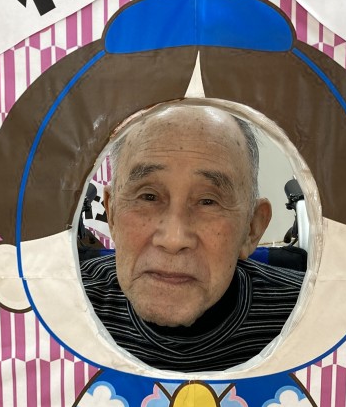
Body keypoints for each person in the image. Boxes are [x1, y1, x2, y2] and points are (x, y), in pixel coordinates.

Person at [80, 102, 305, 372]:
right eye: (148, 196)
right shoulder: (60, 310)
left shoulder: (313, 318)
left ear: (252, 228)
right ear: (112, 213)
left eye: (208, 201)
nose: (173, 239)